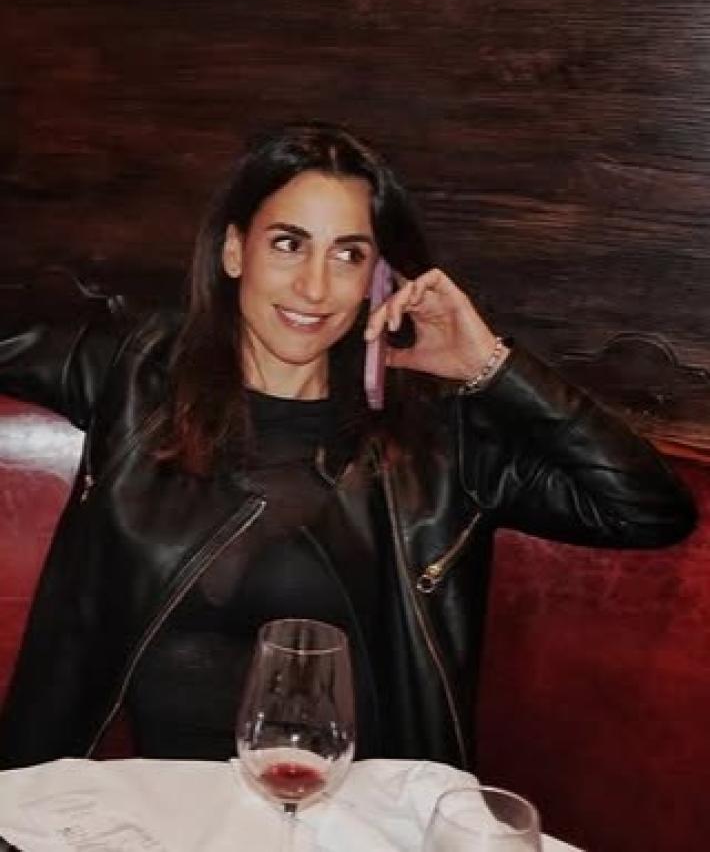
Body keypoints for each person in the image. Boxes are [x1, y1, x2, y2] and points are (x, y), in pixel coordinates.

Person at [0, 122, 696, 771]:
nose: (315, 286)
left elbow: (648, 509)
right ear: (234, 250)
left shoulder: (436, 441)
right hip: (133, 813)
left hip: (344, 816)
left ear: (378, 279)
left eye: (348, 255)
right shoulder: (138, 374)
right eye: (288, 243)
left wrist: (489, 365)